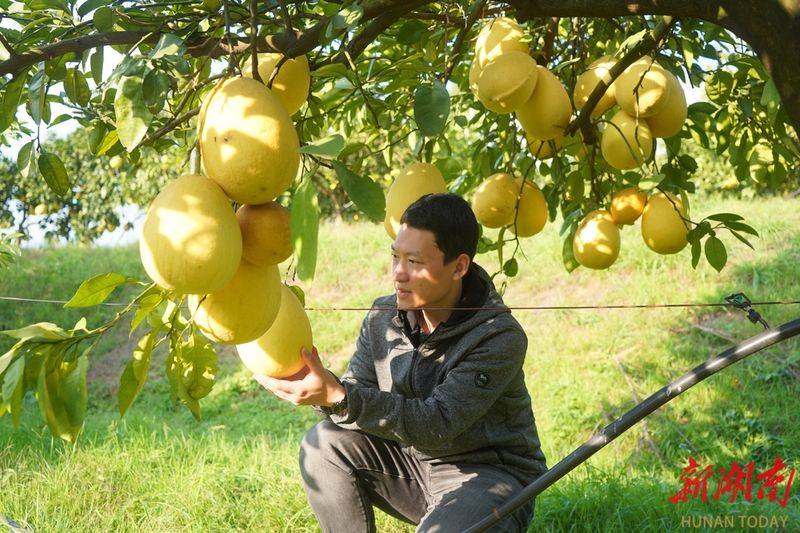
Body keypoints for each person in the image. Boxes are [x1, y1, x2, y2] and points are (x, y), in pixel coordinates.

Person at [254, 193, 548, 532]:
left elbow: (437, 423)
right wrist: (326, 394)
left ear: (459, 267)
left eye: (415, 262)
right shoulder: (384, 318)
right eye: (395, 256)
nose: (398, 273)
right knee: (323, 445)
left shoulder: (498, 337)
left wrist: (339, 396)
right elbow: (355, 400)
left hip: (488, 476)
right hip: (413, 463)